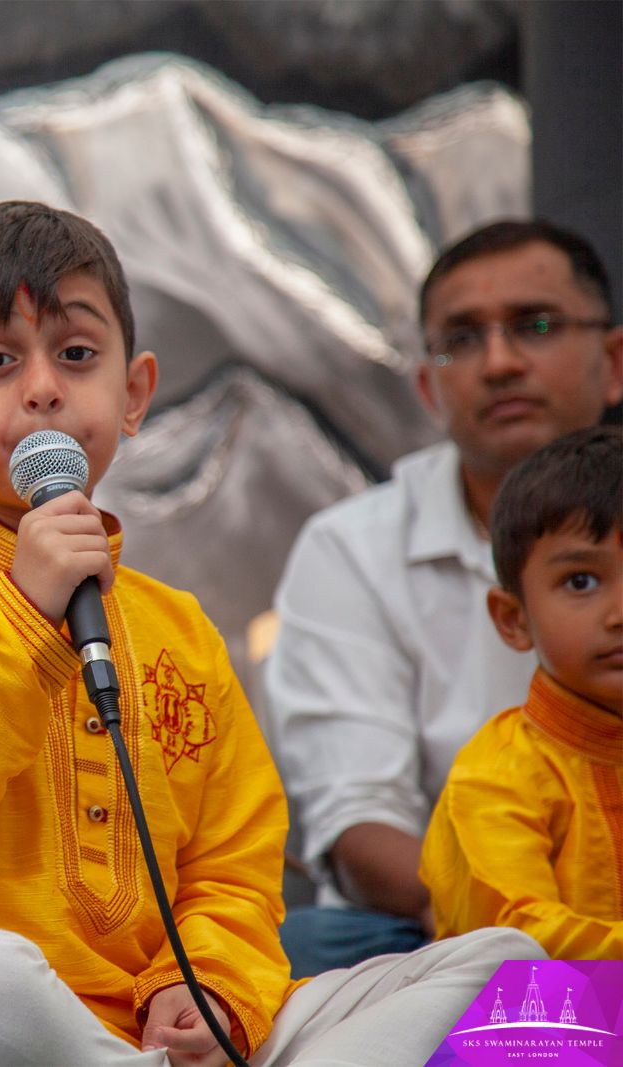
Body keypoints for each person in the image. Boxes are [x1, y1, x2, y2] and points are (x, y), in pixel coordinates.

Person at [0, 201, 541, 1067]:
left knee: (516, 972)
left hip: (155, 1037)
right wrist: (21, 612)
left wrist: (209, 987)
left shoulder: (179, 628)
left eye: (77, 354)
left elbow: (233, 866)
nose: (43, 386)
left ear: (133, 395)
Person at [264, 219, 623, 975]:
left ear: (613, 361)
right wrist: (497, 912)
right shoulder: (349, 548)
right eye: (462, 339)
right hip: (431, 918)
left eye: (536, 325)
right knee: (298, 947)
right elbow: (359, 821)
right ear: (428, 388)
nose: (499, 362)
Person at [420, 426, 622, 958]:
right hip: (534, 1009)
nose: (619, 614)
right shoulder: (496, 777)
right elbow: (514, 943)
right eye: (581, 581)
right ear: (513, 619)